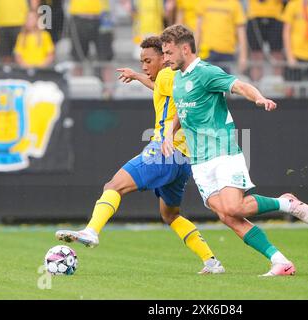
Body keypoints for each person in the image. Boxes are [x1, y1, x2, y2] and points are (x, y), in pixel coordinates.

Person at [56, 36, 225, 275]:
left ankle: (91, 231)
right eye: (141, 62)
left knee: (113, 185)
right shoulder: (179, 77)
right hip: (183, 160)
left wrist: (168, 131)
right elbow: (163, 88)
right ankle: (211, 261)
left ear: (163, 58)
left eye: (148, 61)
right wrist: (137, 76)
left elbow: (162, 83)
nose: (144, 66)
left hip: (163, 151)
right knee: (171, 215)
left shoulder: (167, 75)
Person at [159, 24, 308, 277]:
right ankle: (280, 262)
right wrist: (169, 132)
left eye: (168, 53)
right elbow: (182, 108)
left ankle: (285, 203)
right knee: (225, 215)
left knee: (234, 208)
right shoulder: (178, 78)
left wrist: (259, 98)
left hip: (222, 151)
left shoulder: (206, 72)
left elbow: (239, 85)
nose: (164, 58)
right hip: (199, 161)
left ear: (185, 49)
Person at [195, 0, 248, 74]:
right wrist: (194, 52)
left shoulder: (235, 4)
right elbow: (198, 30)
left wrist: (243, 56)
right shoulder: (204, 2)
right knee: (206, 84)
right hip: (206, 53)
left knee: (225, 84)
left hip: (227, 53)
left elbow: (241, 33)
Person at [246, 0, 285, 80]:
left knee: (277, 54)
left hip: (275, 15)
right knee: (256, 56)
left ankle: (277, 86)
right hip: (254, 15)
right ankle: (255, 86)